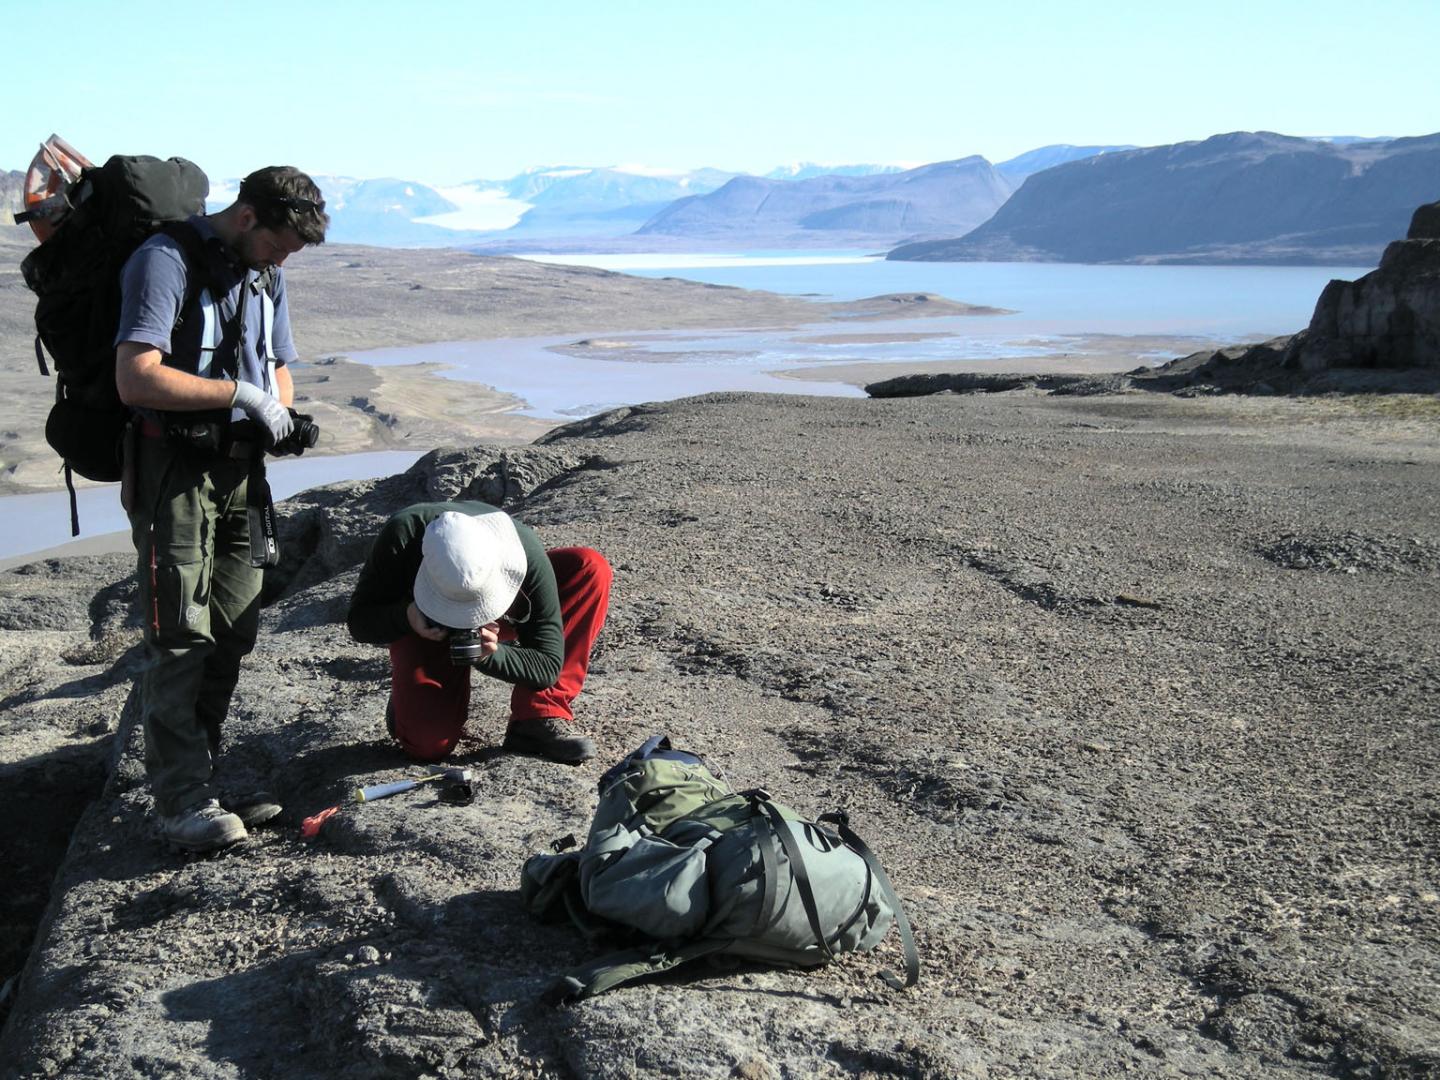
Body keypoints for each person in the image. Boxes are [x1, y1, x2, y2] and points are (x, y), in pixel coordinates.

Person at [115, 166, 328, 852]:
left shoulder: (266, 272)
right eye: (280, 243)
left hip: (242, 472)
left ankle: (201, 776)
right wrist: (239, 396)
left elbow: (276, 363)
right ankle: (180, 801)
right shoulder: (164, 260)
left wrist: (279, 414)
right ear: (246, 217)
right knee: (180, 632)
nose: (284, 258)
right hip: (173, 468)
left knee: (233, 627)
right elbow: (135, 374)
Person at [347, 501, 611, 765]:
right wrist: (406, 616)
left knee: (588, 568)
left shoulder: (522, 549)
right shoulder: (402, 535)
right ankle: (407, 700)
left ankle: (538, 716)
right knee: (428, 745)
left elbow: (547, 667)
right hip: (423, 627)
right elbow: (360, 622)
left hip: (499, 612)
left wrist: (489, 655)